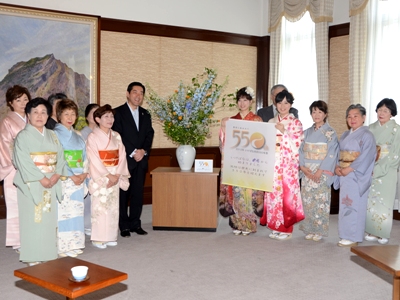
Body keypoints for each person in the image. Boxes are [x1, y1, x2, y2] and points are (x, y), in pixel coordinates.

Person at [12, 97, 67, 265]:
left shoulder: (52, 135)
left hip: (51, 180)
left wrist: (57, 174)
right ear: (28, 115)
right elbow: (22, 160)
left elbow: (61, 157)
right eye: (35, 112)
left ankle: (48, 252)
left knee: (48, 219)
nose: (39, 115)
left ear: (48, 115)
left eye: (43, 112)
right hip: (32, 183)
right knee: (33, 218)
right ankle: (33, 255)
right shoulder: (23, 136)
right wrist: (41, 178)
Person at [218, 87, 264, 235]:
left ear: (250, 102)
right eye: (240, 100)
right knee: (236, 192)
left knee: (248, 193)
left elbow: (262, 143)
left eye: (245, 100)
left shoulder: (257, 120)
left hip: (250, 162)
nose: (242, 103)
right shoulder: (231, 120)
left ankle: (249, 225)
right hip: (235, 162)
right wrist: (224, 129)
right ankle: (237, 224)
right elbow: (224, 142)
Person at [112, 82, 154, 238]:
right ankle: (123, 226)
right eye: (135, 92)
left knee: (138, 193)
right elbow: (118, 135)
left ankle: (136, 223)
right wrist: (133, 151)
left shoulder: (145, 114)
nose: (138, 95)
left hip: (141, 160)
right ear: (127, 93)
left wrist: (143, 151)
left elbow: (149, 134)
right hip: (126, 160)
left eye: (141, 93)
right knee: (123, 194)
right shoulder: (117, 113)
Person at [86, 104, 130, 249]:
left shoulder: (116, 135)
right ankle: (98, 238)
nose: (110, 119)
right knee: (100, 206)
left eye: (111, 116)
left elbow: (122, 155)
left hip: (115, 173)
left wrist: (117, 174)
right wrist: (107, 175)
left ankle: (110, 236)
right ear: (97, 119)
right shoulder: (92, 137)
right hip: (102, 176)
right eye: (106, 116)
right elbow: (93, 158)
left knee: (112, 207)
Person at [334, 104, 376, 247]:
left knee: (355, 205)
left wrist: (350, 168)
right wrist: (337, 167)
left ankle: (353, 236)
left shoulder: (367, 135)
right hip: (344, 174)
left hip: (356, 175)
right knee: (346, 204)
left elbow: (366, 156)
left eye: (355, 116)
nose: (352, 119)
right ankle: (345, 234)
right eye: (349, 116)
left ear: (363, 118)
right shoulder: (346, 134)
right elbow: (338, 154)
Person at [264, 90, 304, 240]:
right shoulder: (270, 122)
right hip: (273, 164)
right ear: (276, 104)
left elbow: (297, 143)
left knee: (286, 195)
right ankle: (275, 225)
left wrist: (285, 132)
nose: (282, 106)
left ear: (291, 105)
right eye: (280, 102)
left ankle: (286, 229)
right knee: (273, 195)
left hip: (287, 166)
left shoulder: (295, 123)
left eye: (286, 103)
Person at [299, 101, 339, 242]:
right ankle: (309, 228)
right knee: (308, 200)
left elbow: (332, 153)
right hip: (307, 170)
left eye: (320, 112)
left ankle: (319, 230)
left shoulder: (330, 133)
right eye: (314, 112)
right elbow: (300, 151)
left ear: (325, 114)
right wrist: (303, 168)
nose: (316, 115)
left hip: (321, 171)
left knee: (320, 201)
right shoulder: (305, 133)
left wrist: (320, 171)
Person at [53, 99, 88, 257]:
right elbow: (57, 158)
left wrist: (84, 173)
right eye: (66, 114)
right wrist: (71, 175)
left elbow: (85, 157)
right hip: (65, 178)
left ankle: (75, 243)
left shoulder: (77, 135)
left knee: (76, 211)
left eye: (73, 114)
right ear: (59, 116)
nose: (70, 117)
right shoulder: (55, 135)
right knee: (64, 212)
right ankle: (63, 246)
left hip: (79, 177)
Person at [365, 99, 400, 244]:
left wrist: (380, 168)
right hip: (371, 167)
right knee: (371, 200)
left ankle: (383, 232)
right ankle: (372, 231)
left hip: (388, 170)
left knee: (385, 201)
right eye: (380, 109)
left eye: (386, 110)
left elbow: (395, 153)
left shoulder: (396, 130)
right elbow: (365, 149)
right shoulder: (370, 128)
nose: (382, 113)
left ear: (392, 113)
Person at [0, 85, 31, 252]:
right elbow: (5, 145)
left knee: (33, 203)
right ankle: (19, 241)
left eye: (25, 99)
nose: (23, 103)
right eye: (18, 100)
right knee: (16, 204)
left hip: (34, 167)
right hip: (15, 168)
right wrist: (18, 162)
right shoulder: (7, 121)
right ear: (11, 103)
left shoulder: (32, 118)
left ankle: (33, 235)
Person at [80, 103, 100, 236]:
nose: (95, 115)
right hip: (89, 168)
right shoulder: (83, 133)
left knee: (99, 199)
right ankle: (86, 224)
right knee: (88, 198)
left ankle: (98, 223)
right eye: (93, 112)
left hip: (101, 169)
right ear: (87, 116)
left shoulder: (102, 132)